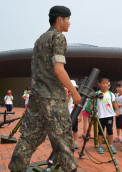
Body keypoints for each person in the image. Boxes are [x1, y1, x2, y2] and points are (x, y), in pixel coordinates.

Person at [8, 6, 81, 172]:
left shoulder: (40, 39)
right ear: (60, 19)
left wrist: (63, 86)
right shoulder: (58, 37)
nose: (69, 23)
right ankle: (71, 169)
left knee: (29, 136)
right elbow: (58, 69)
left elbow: (43, 69)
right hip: (52, 99)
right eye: (68, 19)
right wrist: (74, 92)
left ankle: (16, 168)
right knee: (62, 136)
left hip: (36, 97)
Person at [95, 77, 119, 154]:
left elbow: (114, 103)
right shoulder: (97, 94)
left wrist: (117, 110)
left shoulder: (111, 94)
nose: (105, 85)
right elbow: (92, 103)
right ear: (99, 84)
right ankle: (100, 146)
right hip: (100, 116)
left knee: (110, 130)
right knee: (100, 131)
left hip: (109, 115)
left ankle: (111, 145)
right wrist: (92, 110)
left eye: (107, 83)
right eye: (103, 83)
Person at [66, 80, 81, 149]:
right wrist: (69, 96)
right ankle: (68, 142)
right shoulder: (66, 96)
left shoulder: (77, 96)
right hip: (67, 116)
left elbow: (80, 106)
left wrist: (80, 115)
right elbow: (64, 104)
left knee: (75, 130)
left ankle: (75, 142)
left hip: (75, 116)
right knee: (68, 130)